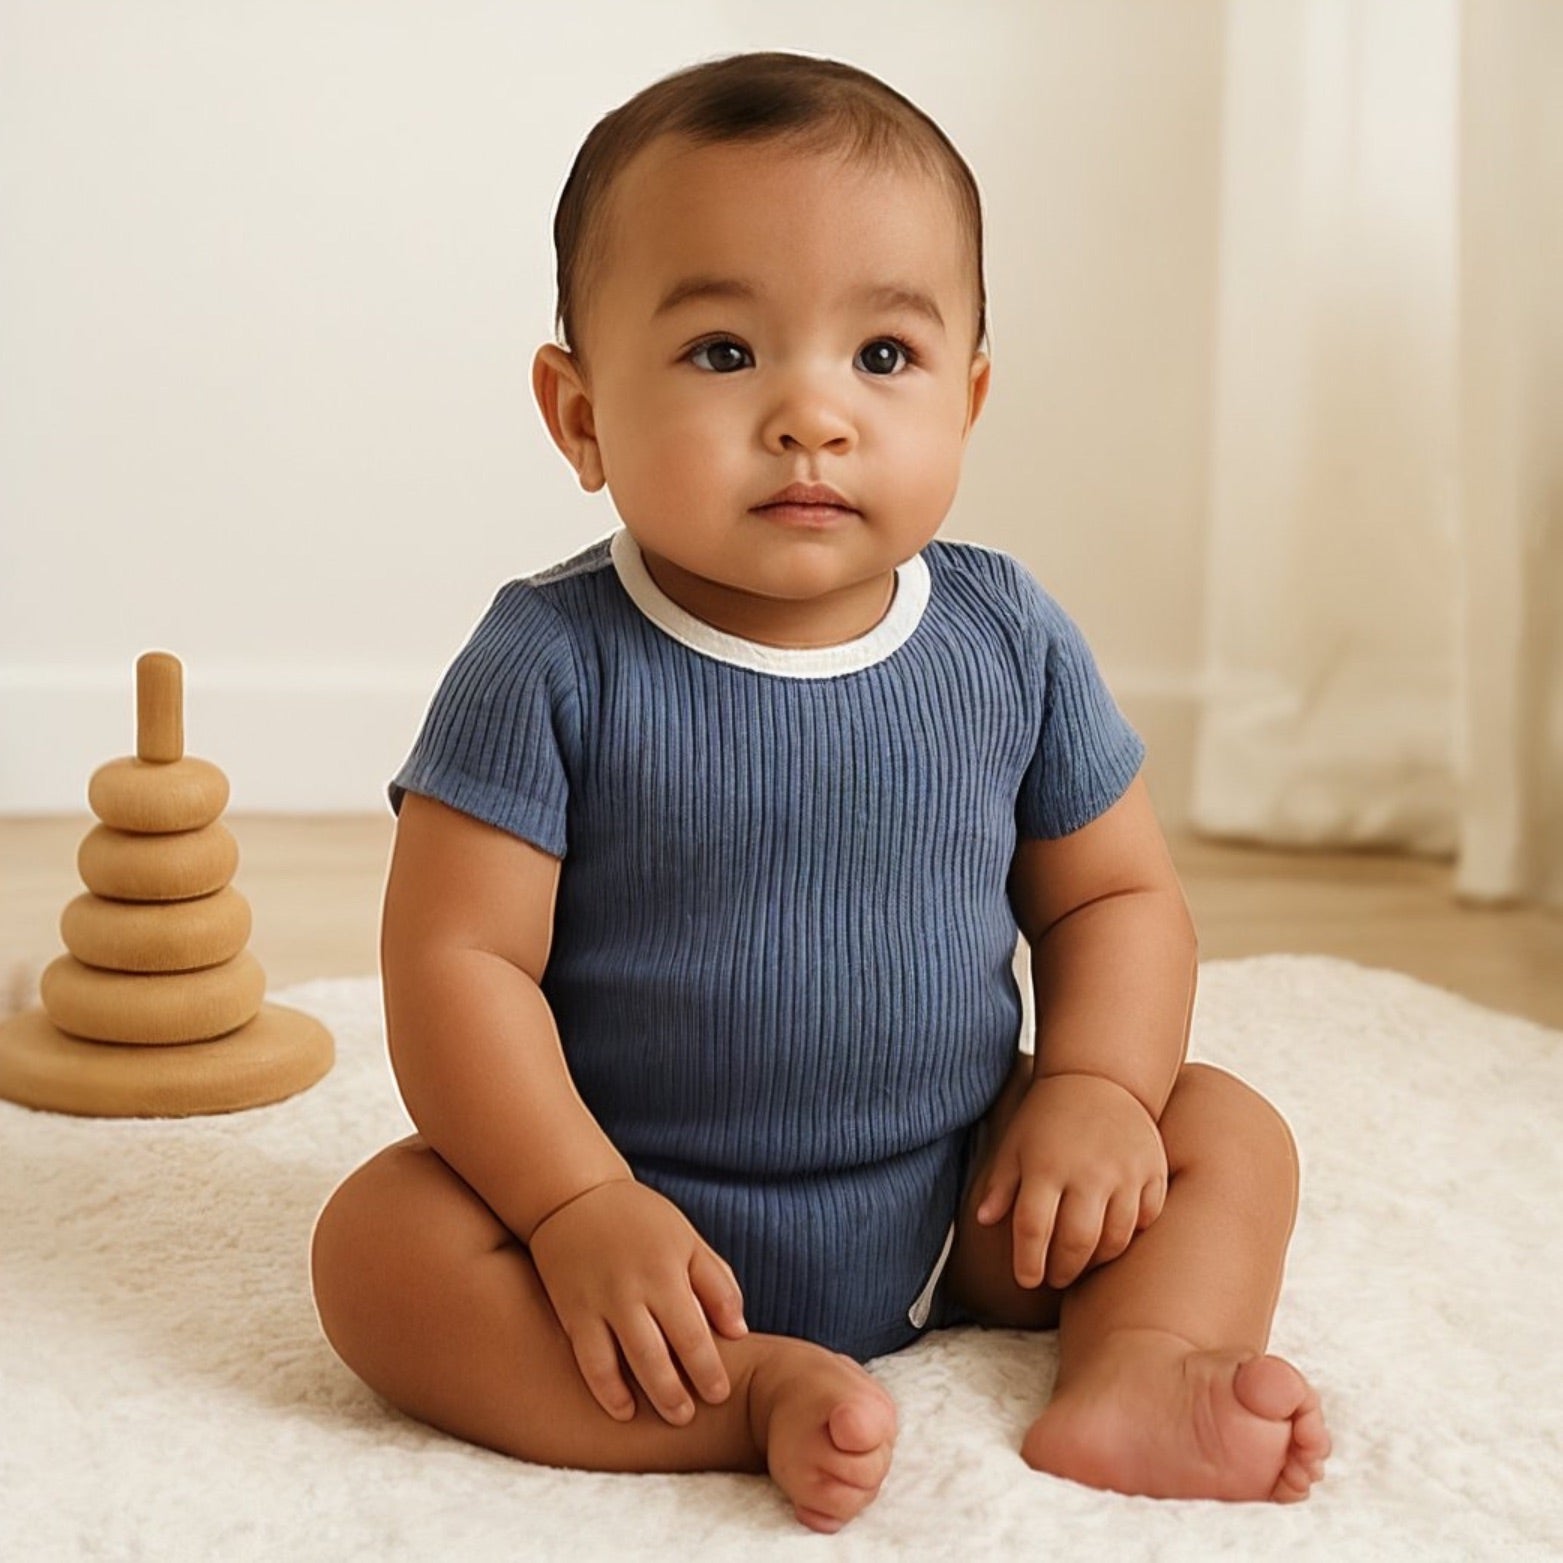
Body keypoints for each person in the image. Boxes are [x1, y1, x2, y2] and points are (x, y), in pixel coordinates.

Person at [310, 50, 1330, 1534]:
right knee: (378, 1251)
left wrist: (1101, 1093)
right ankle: (741, 1396)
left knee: (1225, 1129)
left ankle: (1145, 1369)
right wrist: (575, 1206)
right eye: (725, 352)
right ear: (579, 411)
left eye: (884, 358)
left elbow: (1115, 895)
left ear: (969, 400)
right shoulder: (548, 662)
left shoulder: (1006, 635)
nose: (811, 415)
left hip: (961, 1200)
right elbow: (457, 964)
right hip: (626, 1219)